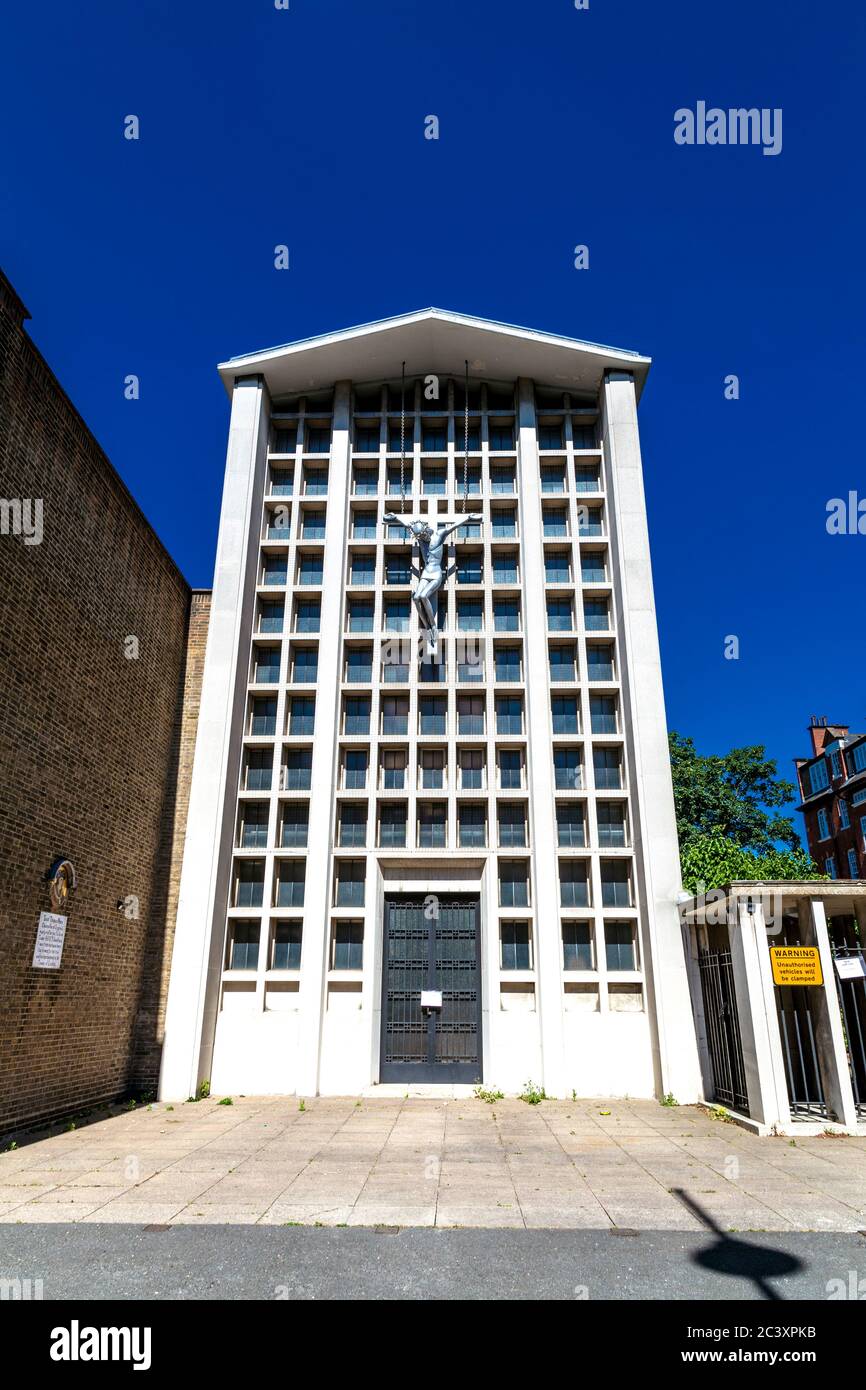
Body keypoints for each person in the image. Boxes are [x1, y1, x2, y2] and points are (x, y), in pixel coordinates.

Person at [383, 511, 483, 649]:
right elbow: (408, 526)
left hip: (436, 574)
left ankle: (434, 626)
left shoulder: (439, 535)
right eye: (420, 537)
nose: (422, 538)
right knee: (416, 597)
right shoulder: (420, 538)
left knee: (424, 596)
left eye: (423, 535)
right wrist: (396, 518)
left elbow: (453, 527)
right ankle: (427, 627)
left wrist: (468, 517)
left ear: (426, 530)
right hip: (425, 574)